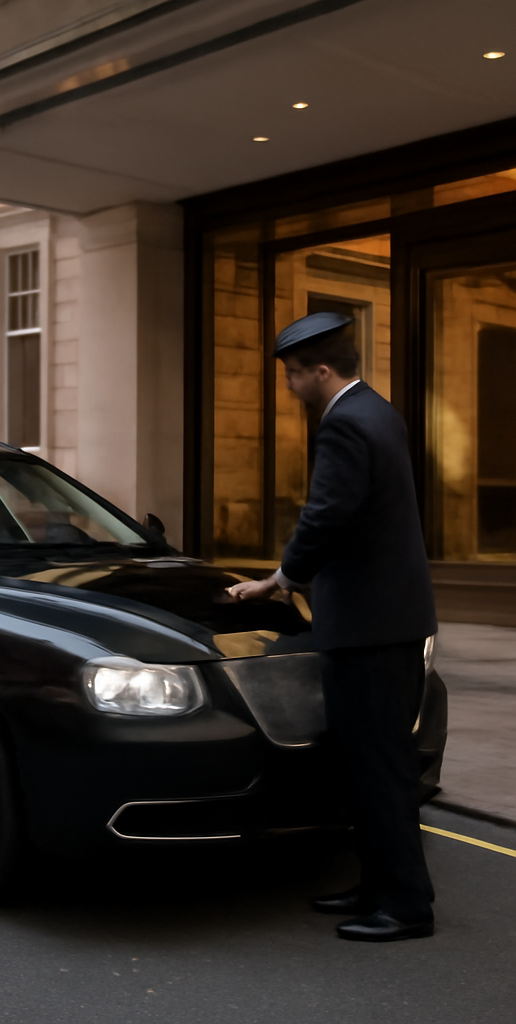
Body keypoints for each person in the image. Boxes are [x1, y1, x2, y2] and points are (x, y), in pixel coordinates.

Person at [227, 311, 437, 942]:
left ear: (322, 371)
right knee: (376, 765)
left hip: (369, 628)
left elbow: (326, 517)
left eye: (294, 376)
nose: (290, 388)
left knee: (376, 768)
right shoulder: (381, 410)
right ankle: (379, 887)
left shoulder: (344, 424)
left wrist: (281, 578)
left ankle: (403, 907)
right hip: (392, 620)